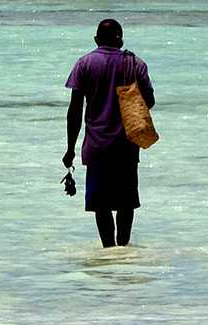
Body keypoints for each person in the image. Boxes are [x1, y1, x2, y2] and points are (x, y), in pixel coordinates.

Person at [63, 18, 153, 248]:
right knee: (126, 203)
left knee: (101, 204)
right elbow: (149, 102)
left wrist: (70, 148)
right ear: (121, 39)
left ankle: (108, 251)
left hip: (96, 145)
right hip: (126, 145)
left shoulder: (84, 64)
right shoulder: (136, 64)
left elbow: (75, 110)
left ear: (96, 40)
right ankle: (123, 250)